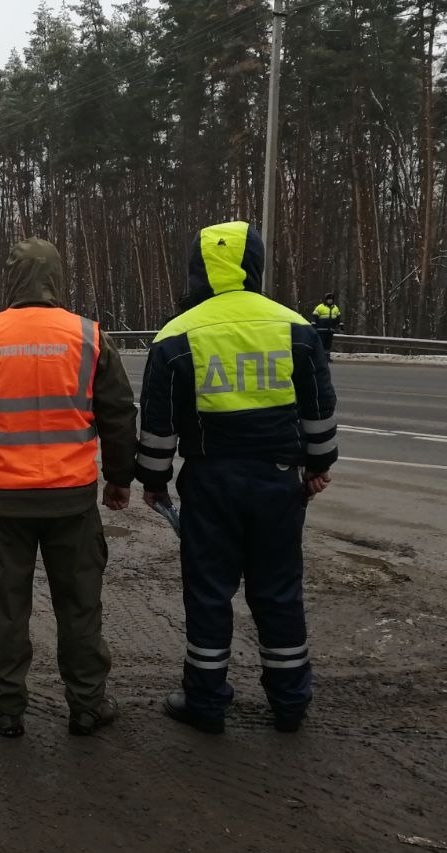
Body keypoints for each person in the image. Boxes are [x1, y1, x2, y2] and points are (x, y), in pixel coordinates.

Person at [136, 221, 338, 734]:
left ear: (198, 269)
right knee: (279, 591)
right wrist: (317, 467)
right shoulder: (295, 328)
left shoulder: (176, 336)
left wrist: (154, 481)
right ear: (255, 264)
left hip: (211, 483)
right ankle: (290, 702)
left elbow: (158, 426)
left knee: (208, 593)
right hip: (277, 481)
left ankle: (205, 702)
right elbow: (318, 411)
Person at [0, 237, 138, 738]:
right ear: (56, 278)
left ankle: (6, 708)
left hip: (5, 504)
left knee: (6, 609)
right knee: (80, 605)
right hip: (72, 501)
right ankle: (87, 705)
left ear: (11, 279)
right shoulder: (89, 337)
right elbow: (118, 415)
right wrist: (119, 479)